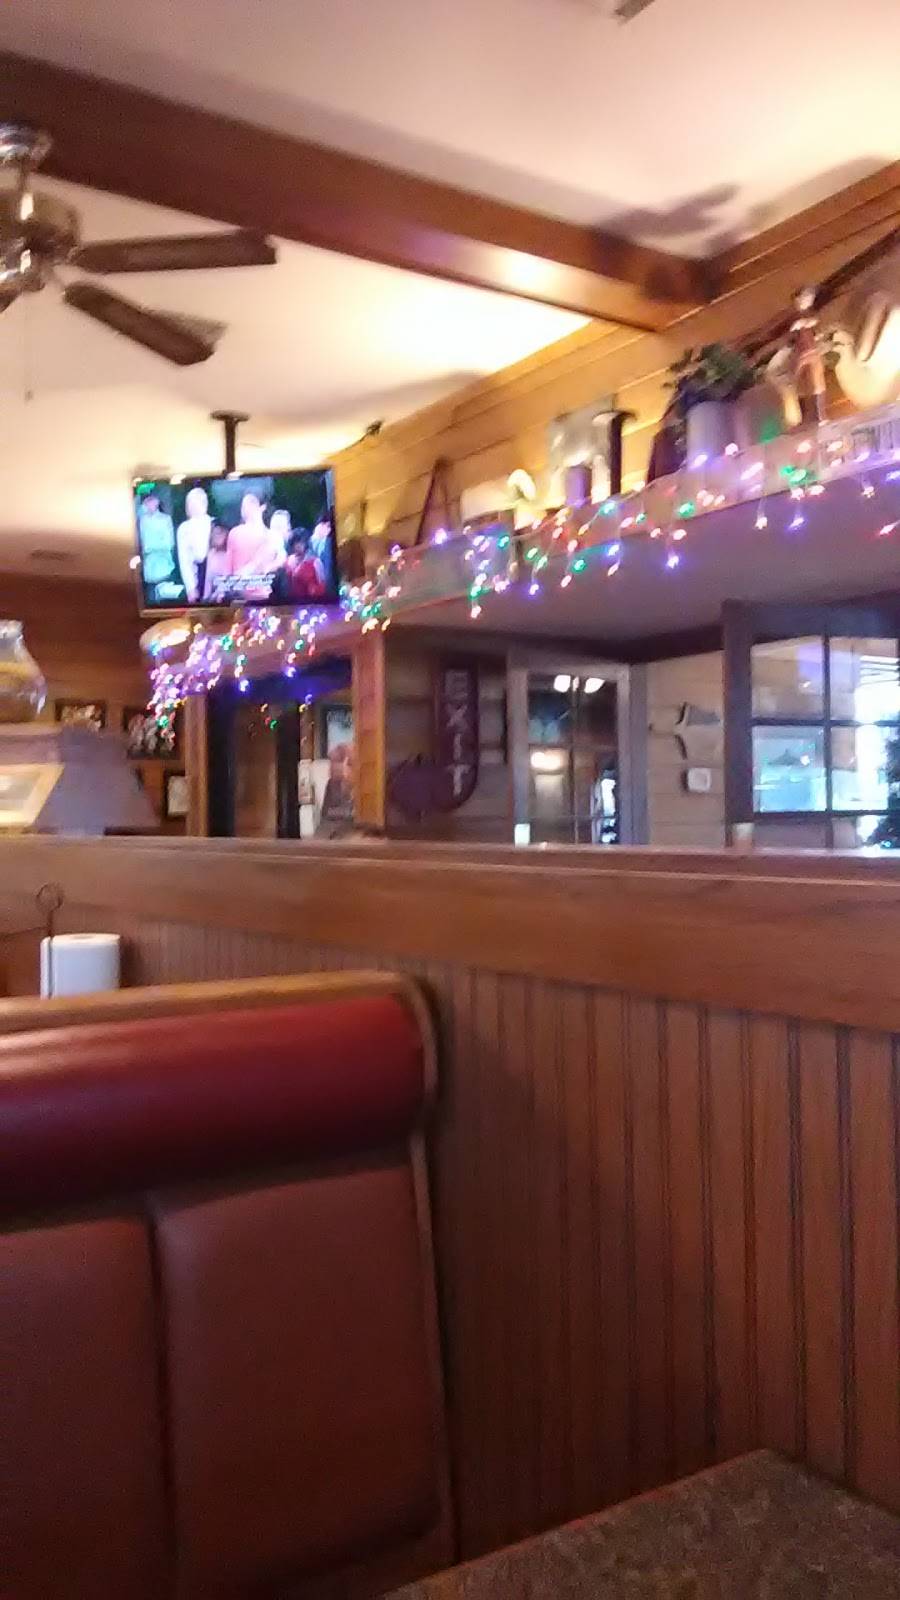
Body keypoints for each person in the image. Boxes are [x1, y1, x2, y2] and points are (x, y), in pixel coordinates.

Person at [226, 492, 284, 599]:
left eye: (252, 503)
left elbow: (281, 561)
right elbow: (229, 572)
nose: (246, 508)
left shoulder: (273, 536)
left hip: (265, 597)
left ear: (263, 507)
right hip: (239, 597)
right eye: (244, 504)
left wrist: (267, 568)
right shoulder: (235, 533)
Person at [269, 527, 327, 603]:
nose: (298, 545)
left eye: (301, 542)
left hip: (311, 603)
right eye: (295, 543)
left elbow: (323, 584)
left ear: (306, 543)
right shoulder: (288, 561)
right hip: (290, 603)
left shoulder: (315, 562)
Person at [176, 486, 212, 603]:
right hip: (197, 578)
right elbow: (184, 560)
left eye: (198, 503)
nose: (195, 507)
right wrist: (190, 588)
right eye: (191, 504)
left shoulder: (214, 523)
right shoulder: (184, 528)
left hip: (215, 578)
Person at [137, 492, 176, 589]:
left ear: (156, 501)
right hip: (149, 572)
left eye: (151, 501)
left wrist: (151, 547)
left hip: (164, 569)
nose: (148, 504)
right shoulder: (142, 520)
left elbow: (169, 544)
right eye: (146, 502)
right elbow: (144, 545)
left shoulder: (165, 519)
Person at [202, 523, 233, 602]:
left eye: (219, 533)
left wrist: (218, 594)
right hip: (213, 598)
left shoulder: (229, 554)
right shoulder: (211, 553)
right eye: (214, 533)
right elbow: (208, 579)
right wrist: (206, 597)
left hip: (227, 596)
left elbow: (227, 579)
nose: (216, 536)